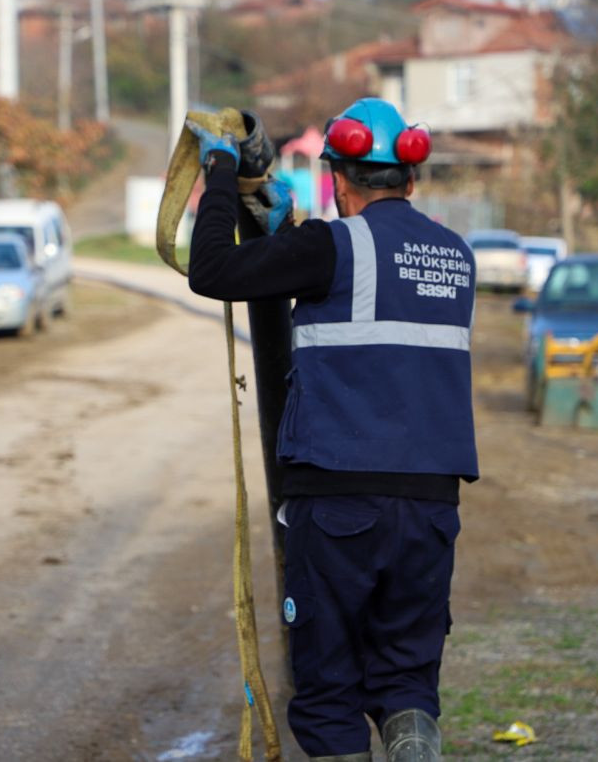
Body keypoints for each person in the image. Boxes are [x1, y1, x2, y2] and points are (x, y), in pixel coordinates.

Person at [186, 98, 478, 762]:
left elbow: (212, 272)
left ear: (340, 180)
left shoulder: (330, 245)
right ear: (410, 178)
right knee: (406, 676)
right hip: (431, 508)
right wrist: (285, 224)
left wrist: (223, 176)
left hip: (340, 505)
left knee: (328, 687)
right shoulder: (457, 258)